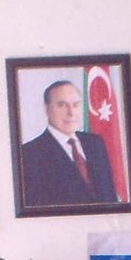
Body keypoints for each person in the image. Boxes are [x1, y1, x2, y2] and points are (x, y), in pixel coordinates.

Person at [18, 79, 119, 208]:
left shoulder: (95, 143)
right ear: (46, 109)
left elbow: (109, 195)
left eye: (76, 105)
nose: (71, 113)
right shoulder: (30, 154)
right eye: (62, 105)